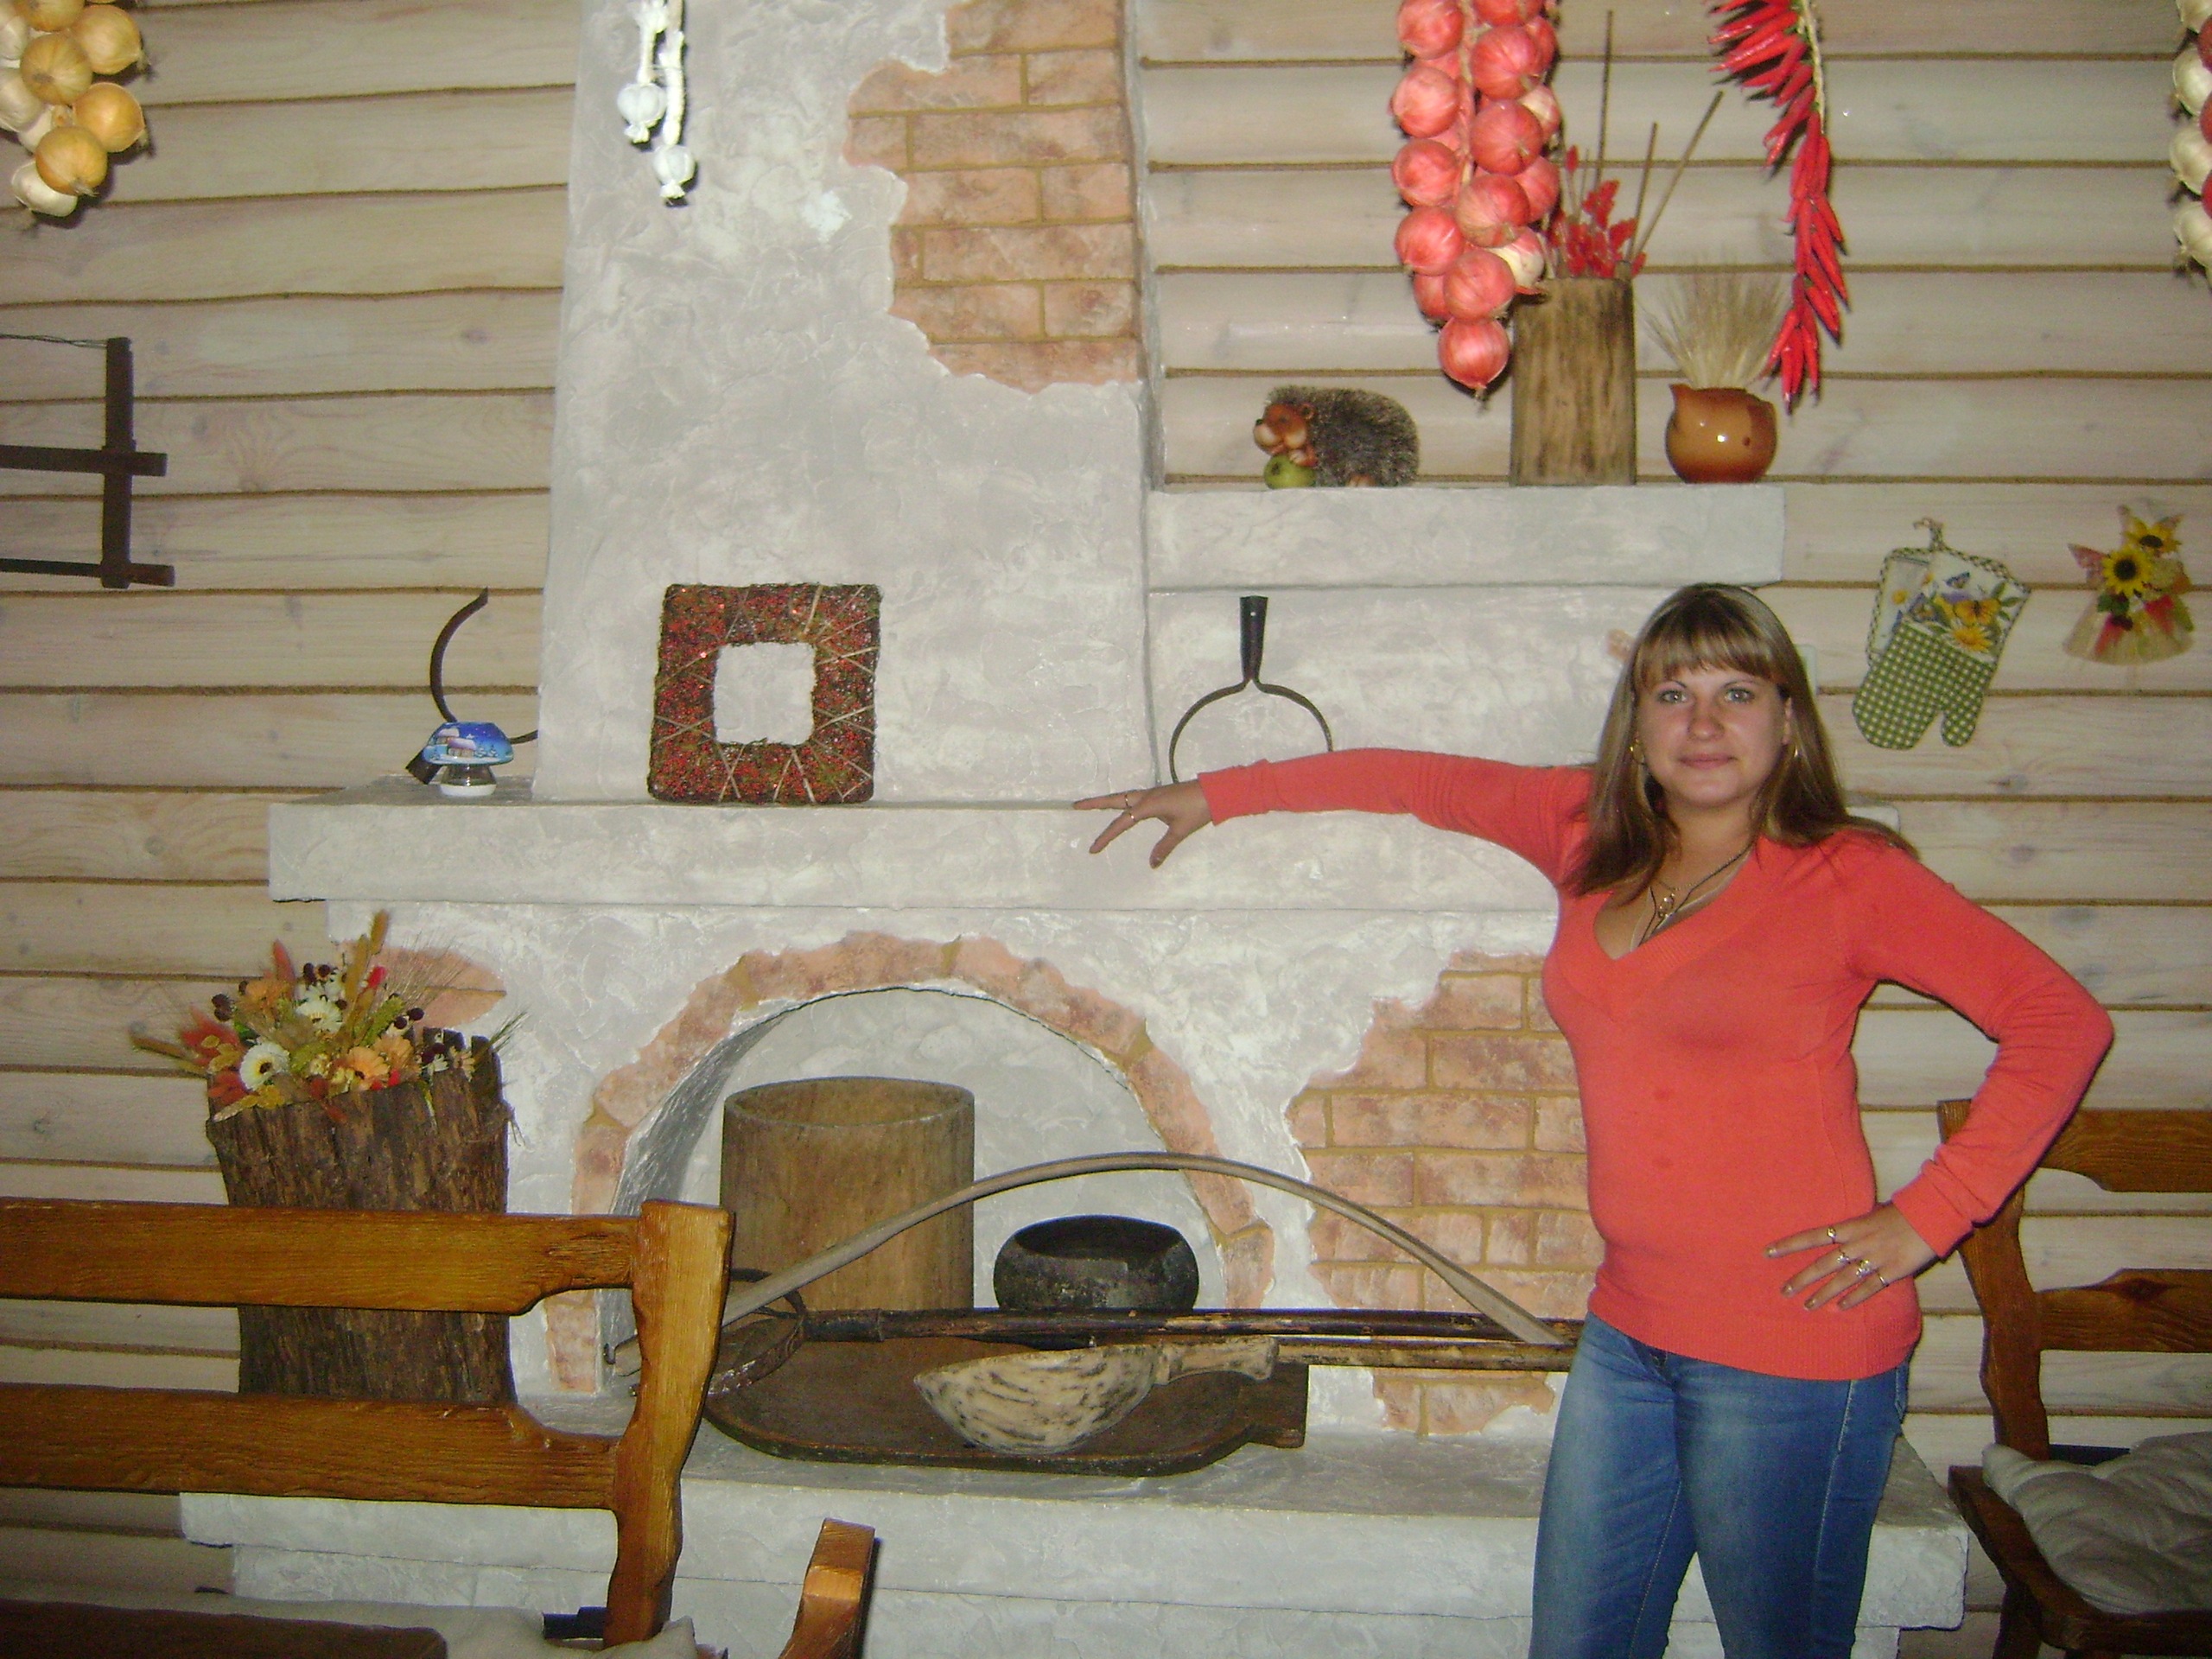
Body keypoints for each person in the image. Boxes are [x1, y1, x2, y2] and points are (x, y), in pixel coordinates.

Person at [1078, 583, 2111, 1659]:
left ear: (1788, 721)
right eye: (1672, 694)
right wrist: (1219, 793)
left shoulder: (1848, 877)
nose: (1702, 723)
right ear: (1636, 724)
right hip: (1629, 1333)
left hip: (1794, 1347)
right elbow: (1417, 781)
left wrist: (1930, 1217)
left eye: (1737, 692)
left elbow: (2059, 1023)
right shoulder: (1584, 830)